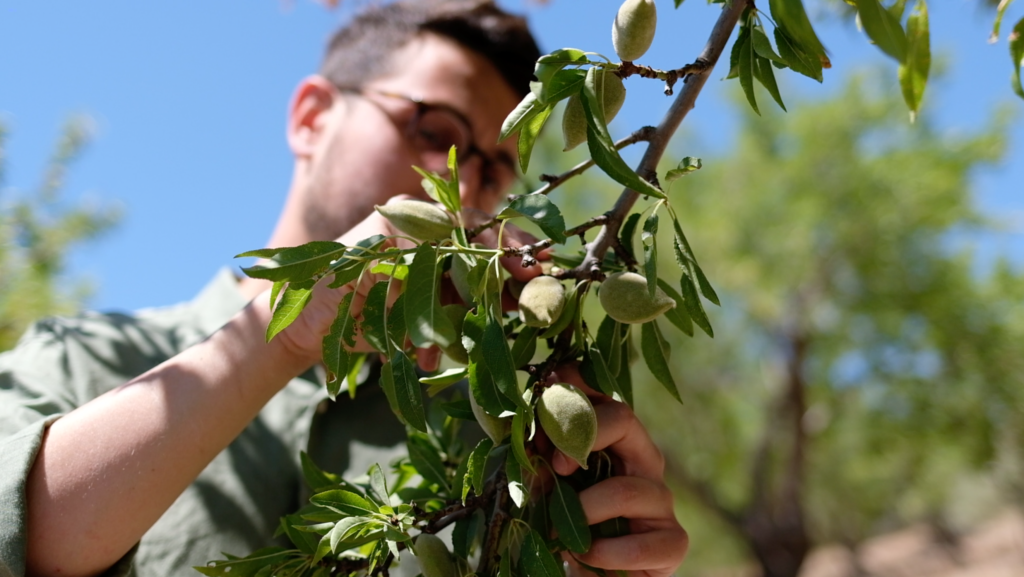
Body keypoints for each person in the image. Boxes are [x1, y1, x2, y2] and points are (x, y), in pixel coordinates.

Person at [0, 1, 688, 576]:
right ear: (311, 118)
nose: (463, 180)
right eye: (436, 130)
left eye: (496, 170)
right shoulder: (90, 358)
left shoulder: (493, 435)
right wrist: (288, 330)